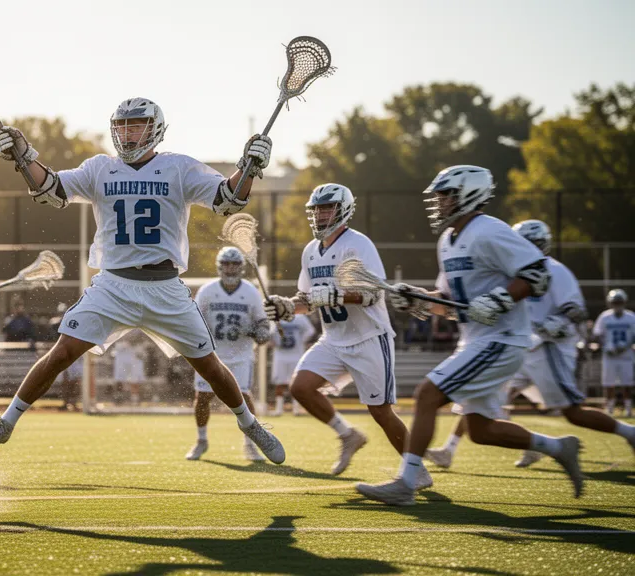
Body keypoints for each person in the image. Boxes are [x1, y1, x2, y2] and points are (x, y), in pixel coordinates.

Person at [0, 97, 284, 463]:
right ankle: (5, 423)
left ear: (155, 129)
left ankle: (250, 424)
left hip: (164, 287)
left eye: (136, 125)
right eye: (122, 126)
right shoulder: (100, 168)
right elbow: (51, 190)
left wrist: (249, 167)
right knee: (61, 353)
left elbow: (228, 198)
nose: (127, 133)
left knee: (209, 365)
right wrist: (24, 156)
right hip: (113, 285)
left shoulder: (178, 167)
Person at [356, 165, 582, 506]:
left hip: (503, 338)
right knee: (481, 430)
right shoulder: (448, 241)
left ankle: (407, 482)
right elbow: (450, 303)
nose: (439, 203)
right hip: (479, 340)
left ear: (469, 194)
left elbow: (537, 273)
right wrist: (418, 298)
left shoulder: (489, 230)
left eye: (446, 196)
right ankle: (558, 447)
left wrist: (500, 300)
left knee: (427, 395)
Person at [425, 220, 635, 469]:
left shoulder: (554, 270)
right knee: (477, 398)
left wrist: (556, 323)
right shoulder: (504, 268)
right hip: (514, 345)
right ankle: (450, 449)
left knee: (573, 412)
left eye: (528, 243)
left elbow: (576, 311)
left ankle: (629, 432)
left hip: (544, 349)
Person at [265, 184, 411, 478]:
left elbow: (373, 293)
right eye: (317, 209)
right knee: (300, 388)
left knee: (380, 411)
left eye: (327, 208)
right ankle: (348, 435)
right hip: (333, 339)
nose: (321, 214)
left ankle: (416, 471)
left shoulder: (358, 244)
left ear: (343, 209)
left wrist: (337, 296)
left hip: (368, 337)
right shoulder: (311, 251)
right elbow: (307, 299)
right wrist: (287, 307)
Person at [186, 247, 270, 461]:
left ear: (241, 267)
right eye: (226, 264)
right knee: (203, 397)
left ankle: (250, 443)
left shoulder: (251, 292)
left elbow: (262, 322)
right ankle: (201, 440)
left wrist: (260, 331)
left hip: (241, 354)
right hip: (212, 354)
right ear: (220, 266)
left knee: (244, 396)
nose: (230, 268)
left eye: (234, 264)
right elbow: (195, 319)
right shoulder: (207, 290)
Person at [592, 289, 635, 417]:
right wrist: (605, 346)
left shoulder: (631, 317)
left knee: (627, 383)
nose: (617, 305)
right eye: (615, 302)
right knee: (608, 382)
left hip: (626, 355)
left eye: (619, 302)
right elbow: (597, 334)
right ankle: (610, 408)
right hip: (609, 355)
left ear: (624, 302)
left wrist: (627, 345)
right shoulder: (604, 317)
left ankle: (628, 409)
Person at [269, 314, 316, 416]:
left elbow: (310, 330)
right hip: (281, 355)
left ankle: (296, 409)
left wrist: (301, 340)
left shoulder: (300, 317)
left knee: (296, 382)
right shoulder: (275, 317)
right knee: (280, 382)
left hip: (296, 355)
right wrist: (272, 340)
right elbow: (269, 332)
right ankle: (279, 409)